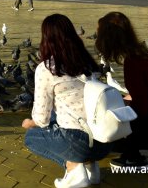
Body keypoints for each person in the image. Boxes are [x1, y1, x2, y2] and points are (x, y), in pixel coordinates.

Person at [22, 14, 113, 188]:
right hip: (104, 142)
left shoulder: (47, 69)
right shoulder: (87, 62)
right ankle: (90, 167)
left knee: (31, 137)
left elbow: (41, 119)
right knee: (58, 117)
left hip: (79, 142)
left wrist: (29, 123)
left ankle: (74, 168)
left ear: (46, 38)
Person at [94, 12, 148, 169]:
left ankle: (138, 156)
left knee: (106, 138)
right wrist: (126, 99)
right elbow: (147, 92)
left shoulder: (133, 62)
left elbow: (140, 109)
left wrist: (116, 114)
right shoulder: (140, 53)